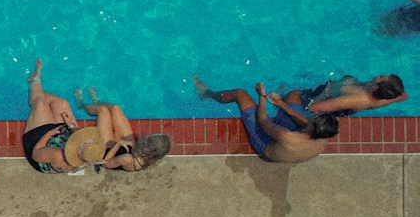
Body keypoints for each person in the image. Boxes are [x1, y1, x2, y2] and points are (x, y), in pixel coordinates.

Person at [194, 77, 337, 164]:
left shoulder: (287, 136)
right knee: (294, 95)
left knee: (240, 93)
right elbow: (304, 122)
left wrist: (261, 95)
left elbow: (263, 122)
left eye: (313, 119)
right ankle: (282, 103)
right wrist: (280, 103)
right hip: (287, 142)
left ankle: (206, 93)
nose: (310, 117)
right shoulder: (323, 135)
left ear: (311, 127)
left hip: (266, 144)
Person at [70, 88, 171, 172]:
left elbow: (105, 163)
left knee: (103, 111)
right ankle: (97, 101)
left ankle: (82, 104)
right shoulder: (151, 156)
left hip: (108, 150)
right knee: (115, 108)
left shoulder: (128, 159)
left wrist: (119, 143)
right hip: (127, 145)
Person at [21, 61, 80, 174]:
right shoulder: (91, 153)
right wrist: (70, 125)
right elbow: (78, 135)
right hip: (62, 140)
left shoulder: (59, 157)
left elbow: (36, 154)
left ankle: (36, 81)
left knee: (40, 104)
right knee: (61, 103)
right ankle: (36, 90)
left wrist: (51, 132)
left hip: (39, 146)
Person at [298, 73, 407, 116]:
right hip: (325, 88)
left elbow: (315, 108)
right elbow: (403, 96)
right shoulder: (380, 95)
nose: (381, 74)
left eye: (382, 76)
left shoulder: (356, 100)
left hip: (315, 97)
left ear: (376, 87)